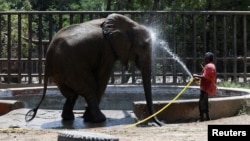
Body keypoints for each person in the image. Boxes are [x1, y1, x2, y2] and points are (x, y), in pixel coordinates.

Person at [193, 52, 217, 121]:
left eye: (205, 57)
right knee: (205, 102)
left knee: (202, 102)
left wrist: (195, 75)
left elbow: (204, 77)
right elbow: (207, 77)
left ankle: (202, 118)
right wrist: (198, 78)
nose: (204, 59)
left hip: (206, 88)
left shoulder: (208, 66)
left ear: (207, 58)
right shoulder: (212, 65)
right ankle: (207, 117)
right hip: (207, 87)